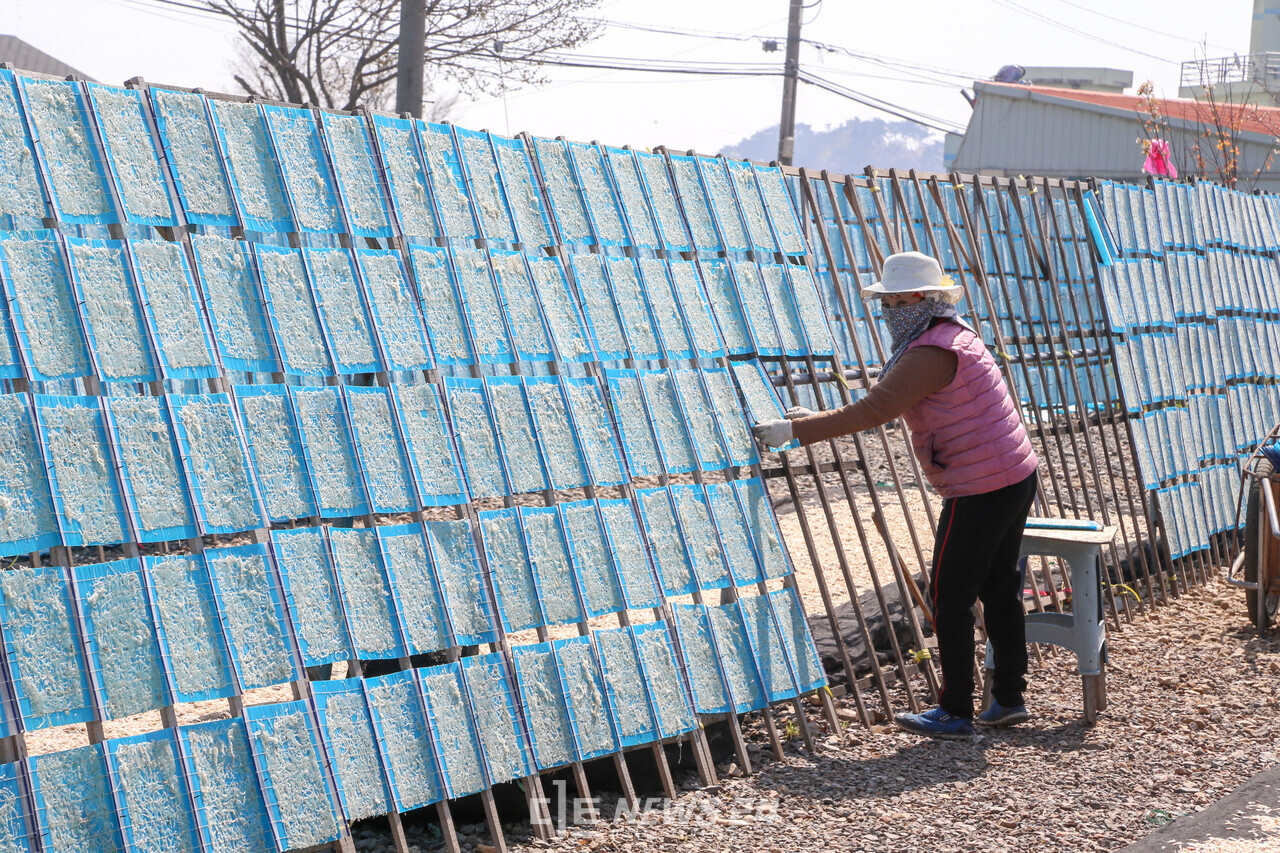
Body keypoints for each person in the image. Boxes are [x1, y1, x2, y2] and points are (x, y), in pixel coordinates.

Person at [752, 251, 1039, 740]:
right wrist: (807, 420)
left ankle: (955, 710)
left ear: (918, 298)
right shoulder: (951, 335)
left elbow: (876, 409)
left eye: (892, 299)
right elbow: (889, 392)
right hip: (1012, 473)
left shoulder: (930, 352)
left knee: (949, 596)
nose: (886, 309)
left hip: (980, 485)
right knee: (999, 590)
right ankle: (1009, 697)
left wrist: (793, 432)